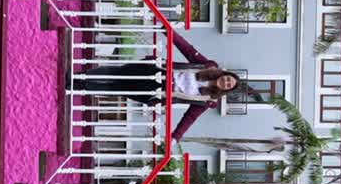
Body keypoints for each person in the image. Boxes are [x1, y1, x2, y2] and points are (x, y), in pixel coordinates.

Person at [71, 34, 240, 141]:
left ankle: (80, 86)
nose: (225, 82)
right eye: (227, 79)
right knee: (117, 71)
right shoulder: (207, 66)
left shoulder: (207, 100)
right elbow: (188, 50)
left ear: (226, 90)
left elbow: (190, 118)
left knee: (117, 88)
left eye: (228, 85)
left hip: (158, 94)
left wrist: (176, 136)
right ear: (223, 74)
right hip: (157, 71)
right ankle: (80, 76)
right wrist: (171, 34)